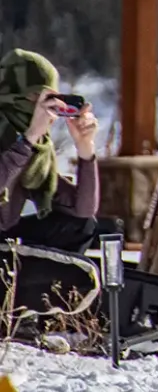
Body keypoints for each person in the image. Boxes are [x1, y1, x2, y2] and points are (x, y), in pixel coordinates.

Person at [0, 50, 100, 252]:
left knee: (81, 226)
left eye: (47, 98)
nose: (39, 107)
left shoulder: (33, 147)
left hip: (4, 237)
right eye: (34, 96)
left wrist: (85, 149)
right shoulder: (19, 138)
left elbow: (82, 211)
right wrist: (29, 138)